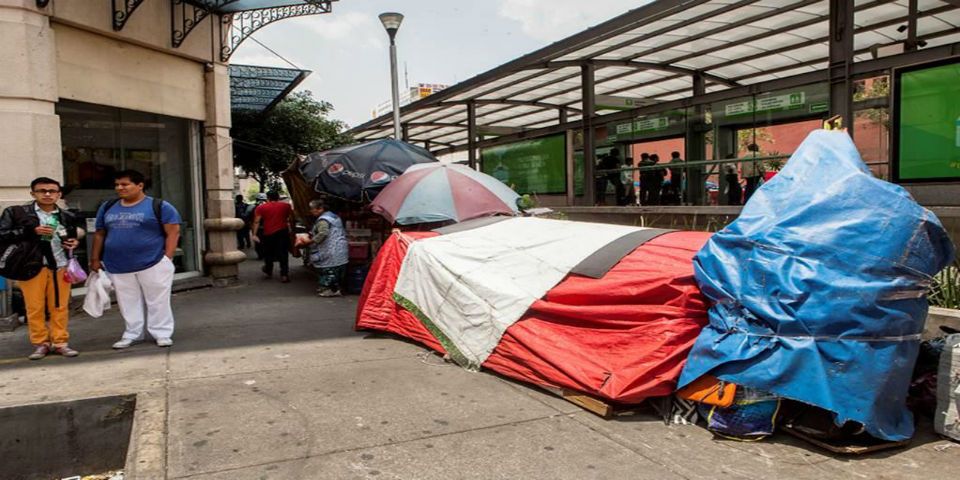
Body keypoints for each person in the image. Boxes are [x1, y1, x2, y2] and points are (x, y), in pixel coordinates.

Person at [90, 170, 181, 349]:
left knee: (158, 300)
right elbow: (99, 234)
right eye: (117, 185)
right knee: (126, 301)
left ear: (140, 185)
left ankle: (161, 333)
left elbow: (173, 232)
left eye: (125, 184)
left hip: (153, 262)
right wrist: (95, 258)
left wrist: (167, 258)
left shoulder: (159, 206)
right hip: (117, 263)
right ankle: (133, 333)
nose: (119, 188)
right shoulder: (108, 206)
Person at [0, 177, 81, 360]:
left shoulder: (66, 215)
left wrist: (73, 242)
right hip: (30, 266)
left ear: (59, 194)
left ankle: (60, 342)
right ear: (33, 193)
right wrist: (30, 231)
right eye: (42, 191)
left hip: (60, 265)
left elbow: (73, 236)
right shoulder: (16, 213)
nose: (47, 194)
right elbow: (2, 234)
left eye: (52, 191)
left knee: (60, 306)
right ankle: (40, 343)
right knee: (34, 307)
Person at [303, 199, 349, 297]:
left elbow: (323, 233)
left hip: (330, 249)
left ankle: (329, 289)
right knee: (337, 269)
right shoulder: (334, 216)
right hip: (340, 248)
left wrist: (311, 241)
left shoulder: (323, 220)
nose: (311, 211)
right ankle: (336, 289)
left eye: (313, 209)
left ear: (320, 209)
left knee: (328, 270)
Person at [251, 190, 294, 283]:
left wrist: (254, 234)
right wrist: (291, 230)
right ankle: (284, 275)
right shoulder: (286, 206)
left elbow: (256, 221)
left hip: (268, 233)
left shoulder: (261, 207)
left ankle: (268, 271)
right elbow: (290, 219)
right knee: (283, 253)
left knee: (268, 253)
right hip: (283, 232)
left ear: (268, 198)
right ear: (278, 197)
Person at [250, 193, 267, 260]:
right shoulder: (268, 207)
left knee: (258, 242)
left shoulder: (254, 207)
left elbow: (252, 219)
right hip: (266, 227)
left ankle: (261, 254)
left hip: (258, 227)